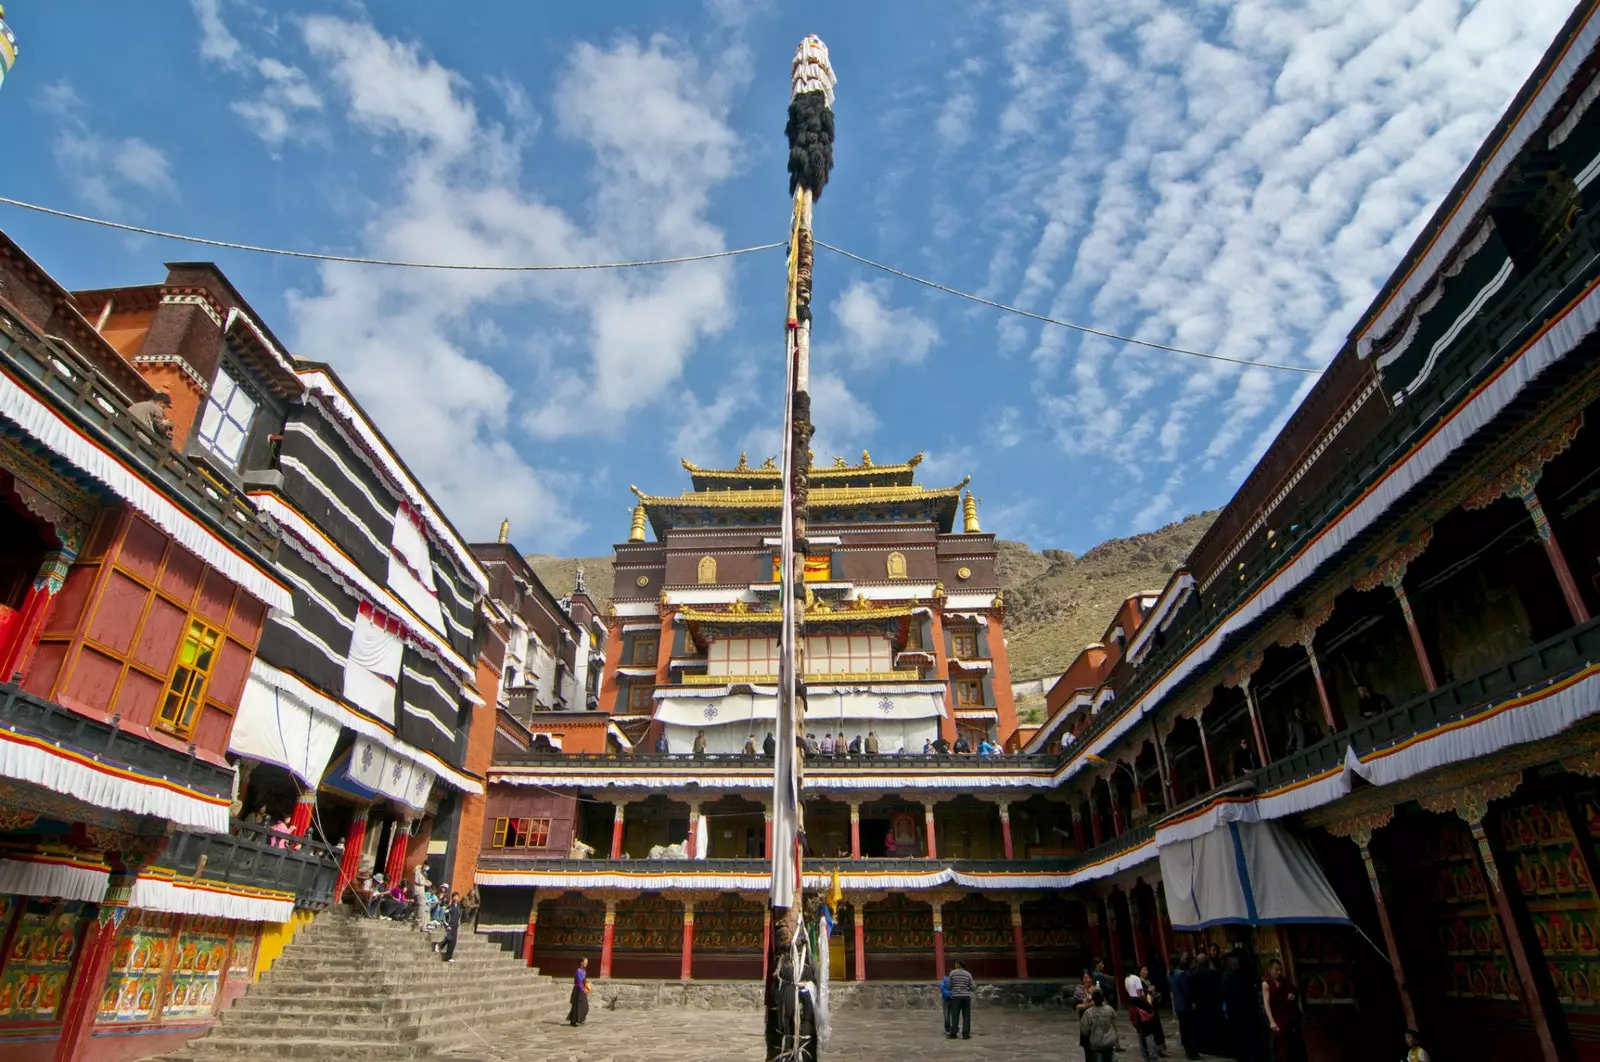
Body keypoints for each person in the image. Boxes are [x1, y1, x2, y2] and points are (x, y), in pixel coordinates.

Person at [1262, 958, 1304, 1062]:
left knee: (1292, 1046)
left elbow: (1293, 991)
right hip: (1277, 1017)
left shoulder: (1284, 981)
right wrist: (1271, 1021)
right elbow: (1266, 1003)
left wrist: (1292, 995)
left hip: (1288, 1017)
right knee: (1280, 1047)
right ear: (1270, 970)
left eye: (1280, 970)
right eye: (1276, 970)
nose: (1279, 972)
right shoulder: (1266, 984)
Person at [1220, 952, 1253, 1061]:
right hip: (1237, 1010)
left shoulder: (1225, 974)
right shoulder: (1233, 976)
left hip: (1231, 1010)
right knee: (1240, 1033)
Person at [1171, 954, 1200, 1060]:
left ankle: (1187, 1050)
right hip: (1185, 1005)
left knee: (1183, 1028)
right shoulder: (1182, 974)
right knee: (1190, 1029)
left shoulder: (1171, 973)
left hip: (1178, 1005)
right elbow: (1186, 990)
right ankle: (1192, 1052)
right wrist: (1192, 1000)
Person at [1081, 989, 1119, 1062]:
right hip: (1110, 1043)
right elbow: (1114, 1024)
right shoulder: (1109, 1009)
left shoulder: (1088, 1013)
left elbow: (1085, 1031)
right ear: (1103, 999)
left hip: (1096, 1044)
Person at [945, 959, 974, 1039]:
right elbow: (972, 986)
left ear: (958, 964)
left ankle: (953, 1034)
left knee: (955, 1016)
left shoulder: (952, 973)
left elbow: (949, 986)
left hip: (955, 997)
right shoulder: (968, 974)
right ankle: (966, 1034)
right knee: (966, 1016)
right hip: (966, 997)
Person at [1130, 990, 1161, 1061]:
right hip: (1147, 1028)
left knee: (1143, 1046)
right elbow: (1151, 1014)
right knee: (1150, 1045)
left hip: (1140, 1028)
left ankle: (1147, 1058)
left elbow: (1132, 1019)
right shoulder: (1143, 1003)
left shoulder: (1132, 1005)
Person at [1073, 972, 1098, 1055]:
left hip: (1096, 1018)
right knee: (1087, 1043)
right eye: (1085, 978)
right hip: (1085, 1018)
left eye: (1089, 977)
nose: (1087, 980)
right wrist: (1088, 1005)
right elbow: (1076, 1006)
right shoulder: (1079, 990)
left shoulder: (1096, 989)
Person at [437, 891, 462, 962]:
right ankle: (439, 946)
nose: (455, 898)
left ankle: (449, 957)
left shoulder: (459, 908)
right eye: (454, 896)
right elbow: (444, 917)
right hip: (450, 926)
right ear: (452, 897)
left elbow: (459, 918)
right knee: (449, 939)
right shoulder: (450, 907)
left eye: (457, 896)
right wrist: (447, 925)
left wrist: (458, 925)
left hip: (455, 927)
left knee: (453, 942)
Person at [566, 957, 591, 1026]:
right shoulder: (579, 971)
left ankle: (577, 1020)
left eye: (587, 962)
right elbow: (580, 982)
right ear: (582, 962)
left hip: (582, 989)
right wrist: (583, 990)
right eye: (585, 962)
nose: (586, 964)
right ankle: (574, 1021)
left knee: (584, 1006)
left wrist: (587, 987)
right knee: (578, 1006)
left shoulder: (584, 971)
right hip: (578, 990)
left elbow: (584, 980)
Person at [939, 970, 953, 1036]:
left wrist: (949, 994)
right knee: (950, 1015)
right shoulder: (945, 980)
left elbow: (942, 989)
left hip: (947, 999)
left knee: (947, 1015)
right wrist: (950, 994)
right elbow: (942, 989)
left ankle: (948, 1029)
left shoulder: (944, 981)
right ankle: (949, 1028)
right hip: (950, 999)